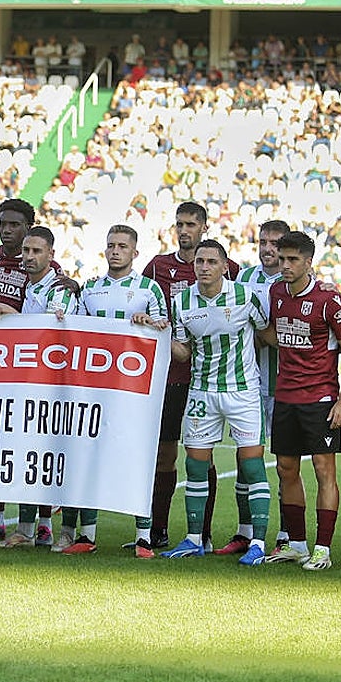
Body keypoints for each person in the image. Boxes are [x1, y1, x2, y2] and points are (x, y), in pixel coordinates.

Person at [57, 224, 168, 557]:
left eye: (122, 246)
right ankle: (87, 536)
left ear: (135, 253)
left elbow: (164, 329)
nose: (115, 250)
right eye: (111, 245)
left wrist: (149, 322)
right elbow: (74, 332)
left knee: (138, 458)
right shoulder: (90, 289)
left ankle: (144, 537)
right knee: (91, 457)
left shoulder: (149, 289)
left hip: (134, 393)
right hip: (95, 391)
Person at [161, 240, 271, 566]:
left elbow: (265, 334)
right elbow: (182, 350)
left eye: (211, 261)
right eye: (199, 261)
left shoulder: (245, 297)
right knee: (195, 465)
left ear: (225, 266)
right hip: (201, 391)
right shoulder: (182, 301)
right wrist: (160, 334)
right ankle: (195, 539)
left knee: (251, 465)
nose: (204, 267)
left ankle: (259, 543)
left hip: (243, 391)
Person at [142, 201, 238, 549]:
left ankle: (204, 532)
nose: (184, 230)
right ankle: (158, 529)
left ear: (204, 227)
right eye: (179, 224)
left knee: (201, 456)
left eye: (191, 225)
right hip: (166, 377)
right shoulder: (157, 267)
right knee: (164, 455)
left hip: (208, 378)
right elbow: (140, 306)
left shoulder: (229, 270)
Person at [262, 231, 341, 571]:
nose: (284, 265)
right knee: (286, 469)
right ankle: (297, 544)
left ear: (308, 262)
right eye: (281, 258)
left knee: (323, 470)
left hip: (320, 397)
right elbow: (276, 334)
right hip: (285, 394)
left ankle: (323, 548)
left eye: (292, 260)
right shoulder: (275, 293)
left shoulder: (328, 300)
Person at [0, 226, 81, 549]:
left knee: (51, 457)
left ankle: (53, 529)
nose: (28, 257)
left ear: (51, 254)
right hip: (34, 384)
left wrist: (11, 314)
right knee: (32, 457)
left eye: (36, 251)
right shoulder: (32, 285)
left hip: (58, 388)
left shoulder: (59, 289)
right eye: (26, 251)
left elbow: (52, 334)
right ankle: (36, 528)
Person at [222, 219, 289, 554]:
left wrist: (264, 334)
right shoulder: (245, 278)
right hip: (246, 381)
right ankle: (244, 531)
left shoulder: (296, 279)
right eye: (263, 241)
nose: (267, 248)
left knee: (286, 460)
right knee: (246, 456)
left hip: (285, 383)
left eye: (275, 242)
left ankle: (288, 534)